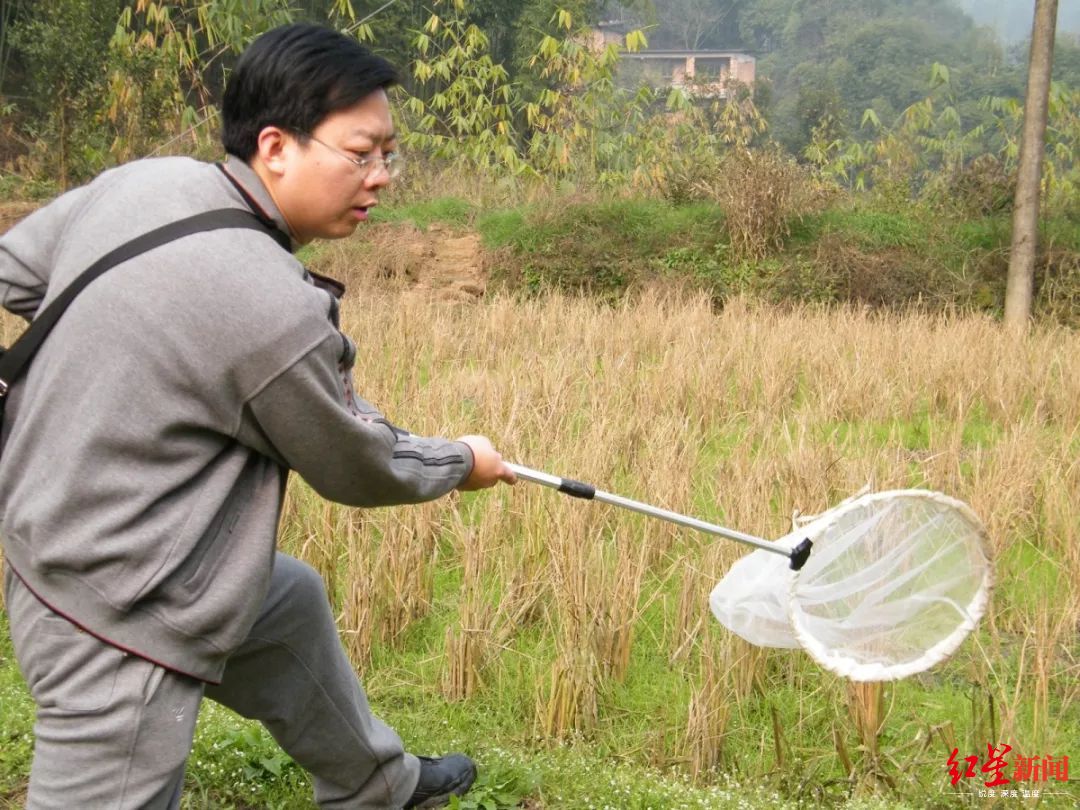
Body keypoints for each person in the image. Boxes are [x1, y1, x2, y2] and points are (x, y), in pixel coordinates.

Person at [0, 22, 515, 809]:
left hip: (67, 537)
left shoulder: (146, 183)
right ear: (275, 146)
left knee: (285, 602)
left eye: (388, 154)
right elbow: (353, 460)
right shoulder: (275, 309)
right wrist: (461, 462)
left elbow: (15, 272)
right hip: (116, 605)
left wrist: (139, 351)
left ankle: (377, 784)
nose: (382, 177)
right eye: (360, 153)